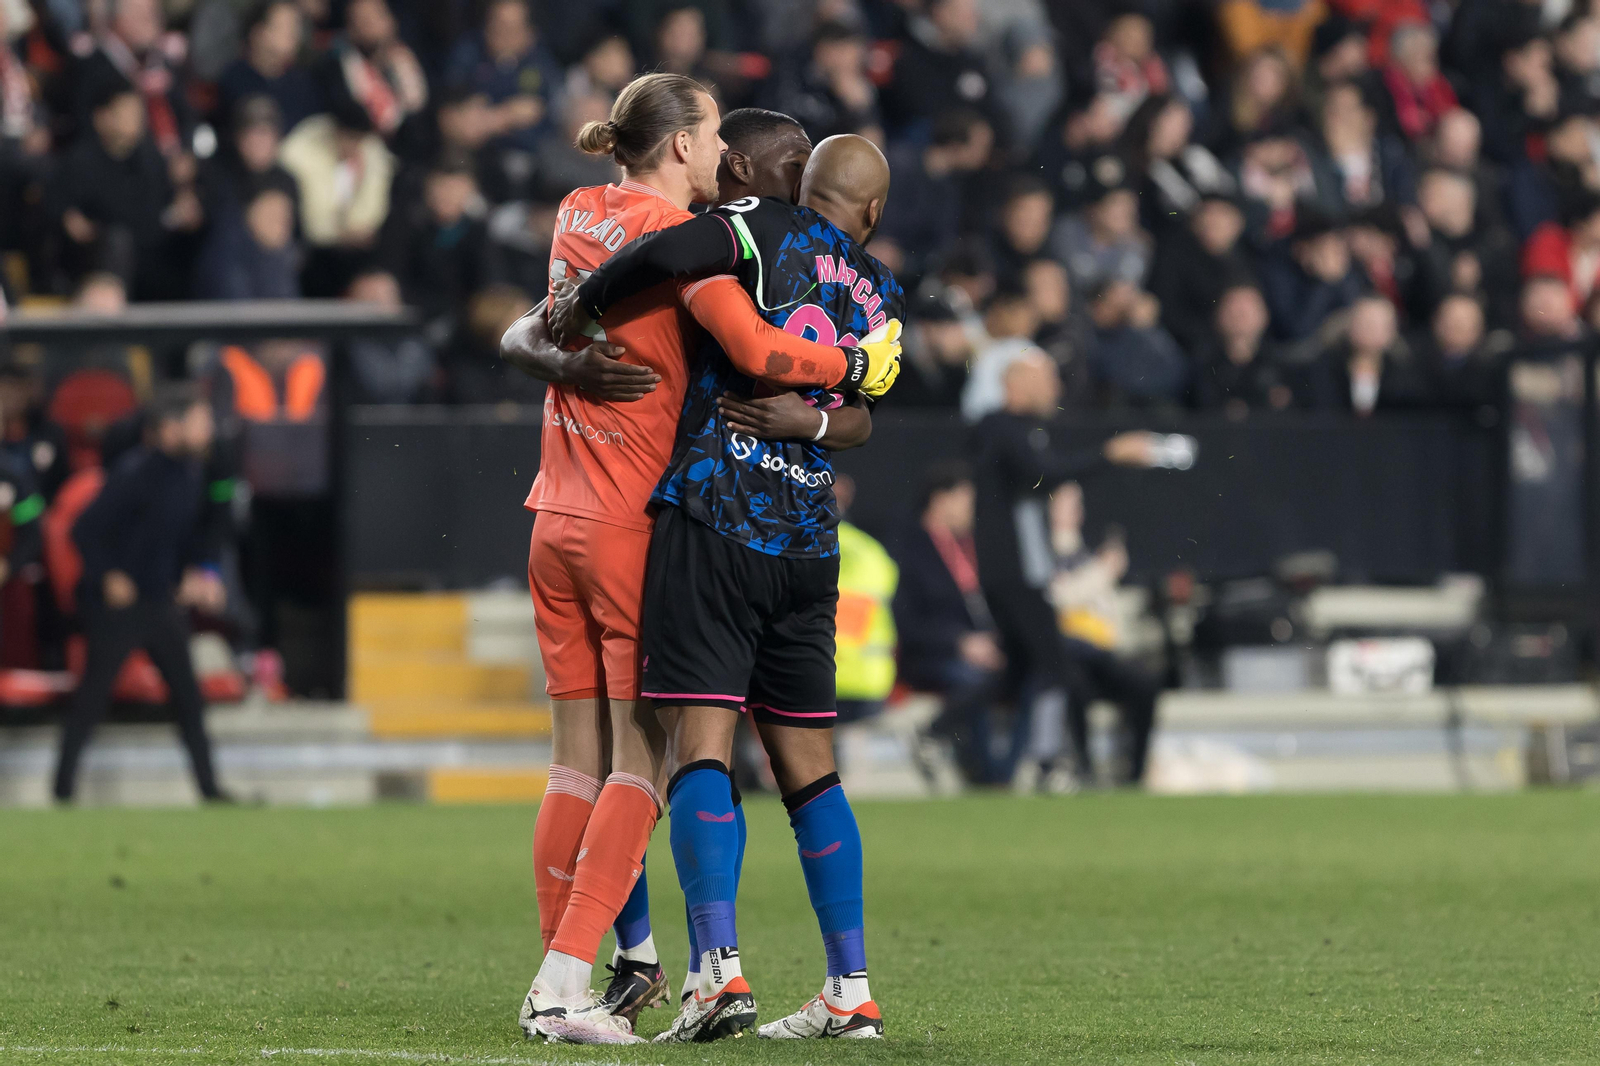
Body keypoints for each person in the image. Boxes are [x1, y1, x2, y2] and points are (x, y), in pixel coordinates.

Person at [502, 91, 898, 1044]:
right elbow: (811, 375)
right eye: (712, 135)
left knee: (604, 764)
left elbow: (521, 331)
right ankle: (827, 984)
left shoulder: (597, 216)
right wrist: (845, 379)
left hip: (606, 514)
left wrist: (562, 343)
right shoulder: (805, 264)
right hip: (740, 529)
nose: (723, 158)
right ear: (684, 144)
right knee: (737, 765)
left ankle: (651, 964)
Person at [970, 353, 1164, 792]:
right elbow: (1044, 474)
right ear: (1016, 385)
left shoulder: (1019, 432)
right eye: (1047, 380)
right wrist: (1109, 453)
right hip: (1015, 573)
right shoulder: (1001, 429)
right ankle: (1026, 763)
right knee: (1050, 666)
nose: (1055, 389)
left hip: (1023, 574)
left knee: (1025, 670)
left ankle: (989, 760)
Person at [52, 384, 228, 803]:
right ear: (170, 428)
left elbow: (191, 538)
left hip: (160, 601)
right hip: (118, 607)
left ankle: (210, 789)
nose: (208, 431)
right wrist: (109, 574)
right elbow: (84, 530)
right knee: (93, 697)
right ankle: (62, 791)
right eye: (199, 422)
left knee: (189, 699)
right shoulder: (133, 473)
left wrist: (199, 573)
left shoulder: (192, 475)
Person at [891, 461, 1007, 784]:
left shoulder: (968, 547)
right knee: (978, 680)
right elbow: (906, 622)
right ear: (941, 500)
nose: (972, 510)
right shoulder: (910, 549)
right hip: (930, 656)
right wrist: (960, 643)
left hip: (977, 651)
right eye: (966, 500)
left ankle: (1002, 771)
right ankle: (972, 763)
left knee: (1023, 671)